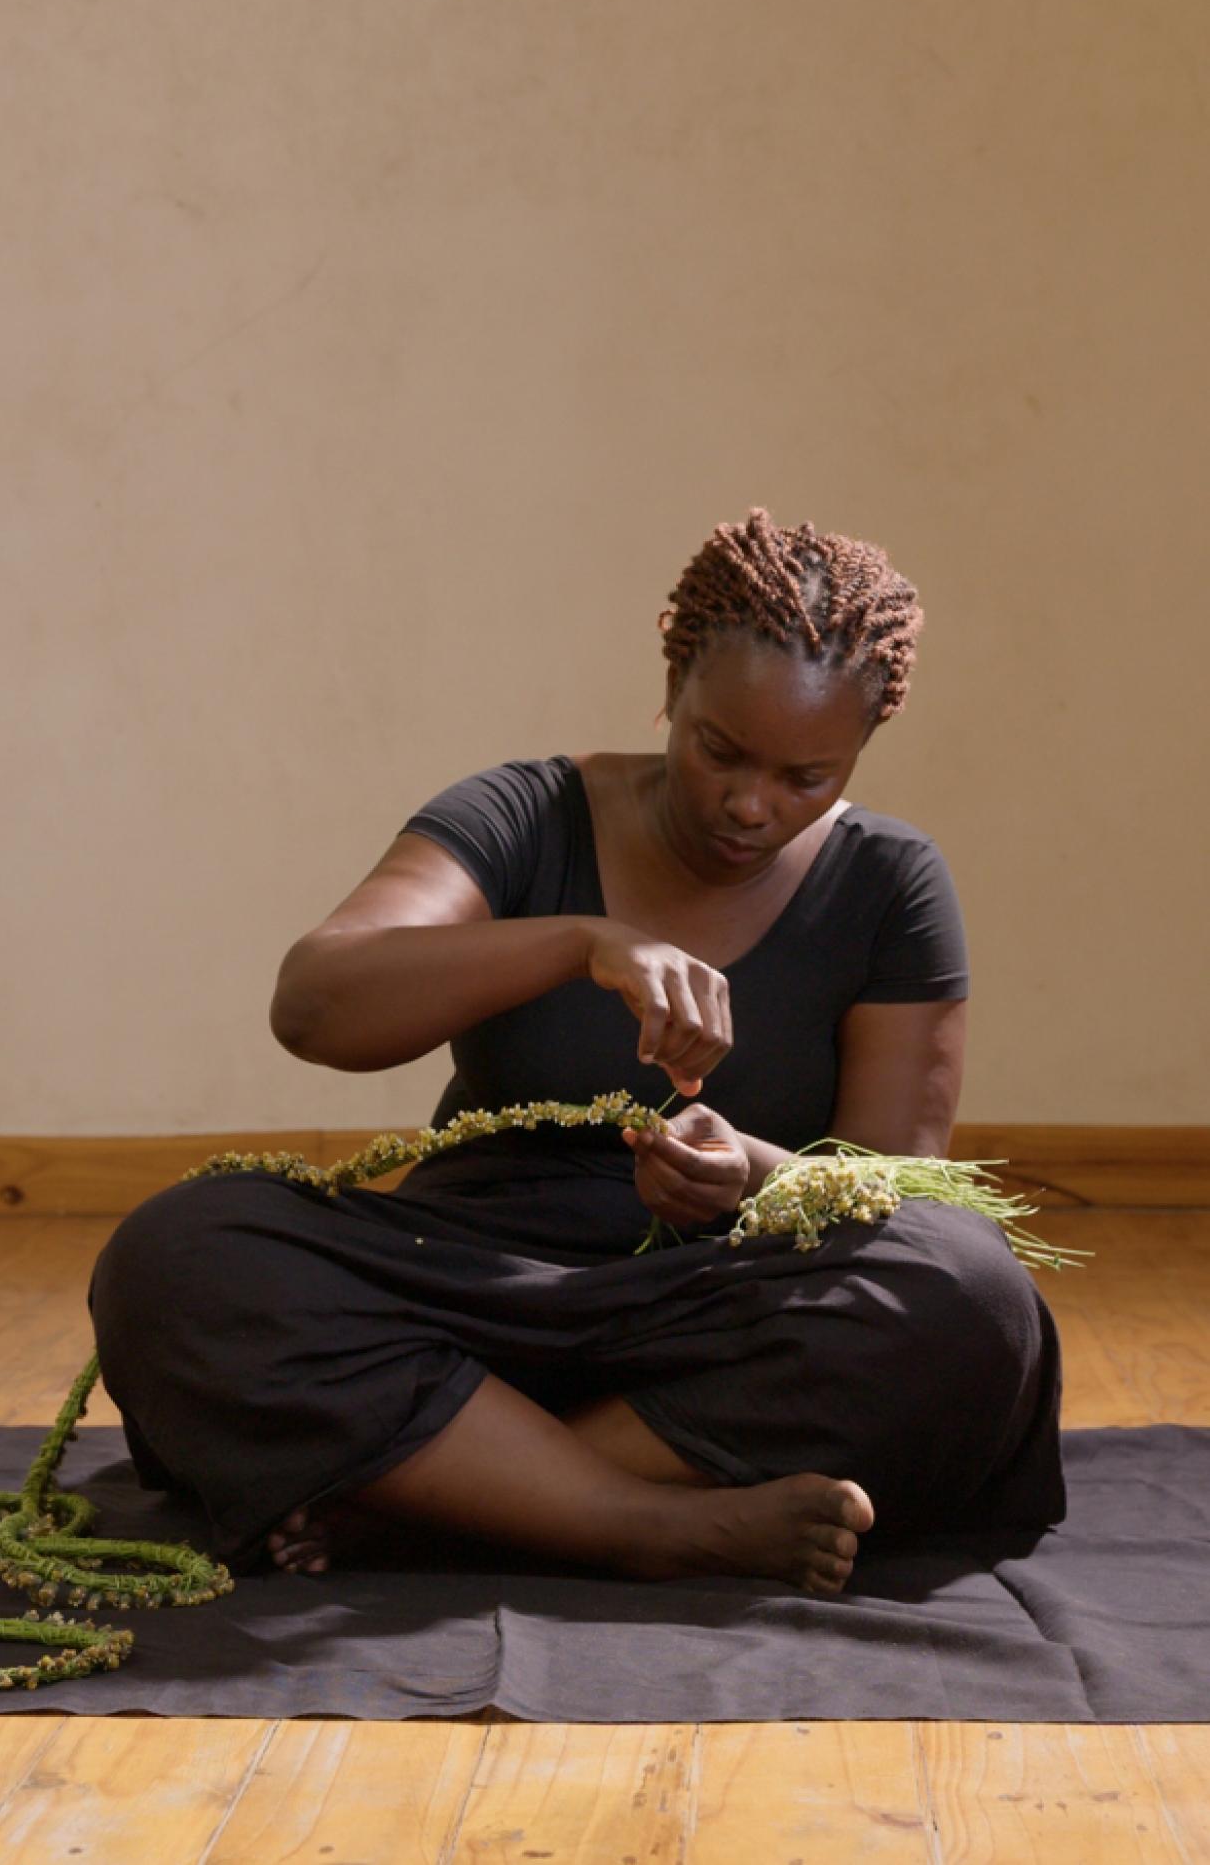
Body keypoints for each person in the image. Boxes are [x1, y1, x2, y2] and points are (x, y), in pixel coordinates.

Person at [88, 510, 1061, 1595]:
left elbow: (890, 1186)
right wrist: (577, 942)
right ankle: (632, 1525)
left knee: (966, 1293)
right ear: (670, 688)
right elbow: (313, 1007)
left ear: (859, 752)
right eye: (718, 750)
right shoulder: (520, 816)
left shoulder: (890, 883)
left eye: (804, 778)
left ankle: (437, 1502)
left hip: (711, 1319)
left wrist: (747, 1174)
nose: (749, 804)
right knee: (175, 1256)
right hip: (469, 1290)